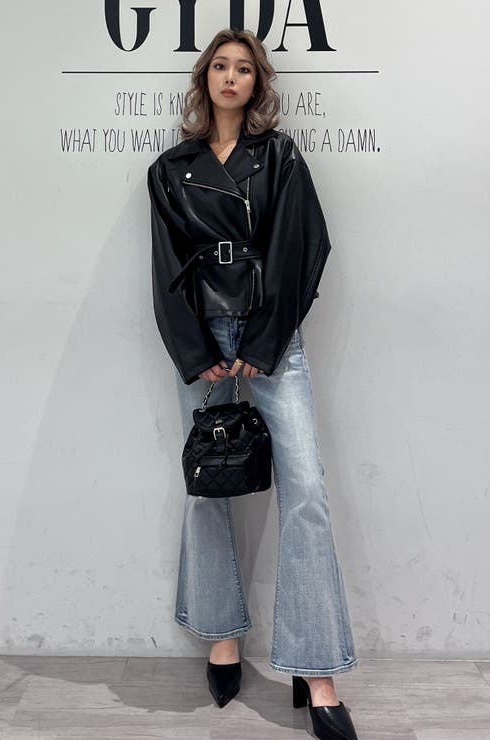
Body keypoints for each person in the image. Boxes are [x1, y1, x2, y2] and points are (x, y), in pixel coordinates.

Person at [147, 28, 359, 740]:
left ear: (257, 83)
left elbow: (304, 247)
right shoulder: (171, 168)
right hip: (206, 337)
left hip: (271, 335)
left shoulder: (280, 157)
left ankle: (317, 671)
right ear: (204, 79)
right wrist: (195, 348)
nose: (231, 77)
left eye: (243, 68)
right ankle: (221, 635)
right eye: (220, 66)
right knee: (206, 485)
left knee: (307, 493)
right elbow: (165, 265)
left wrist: (265, 342)